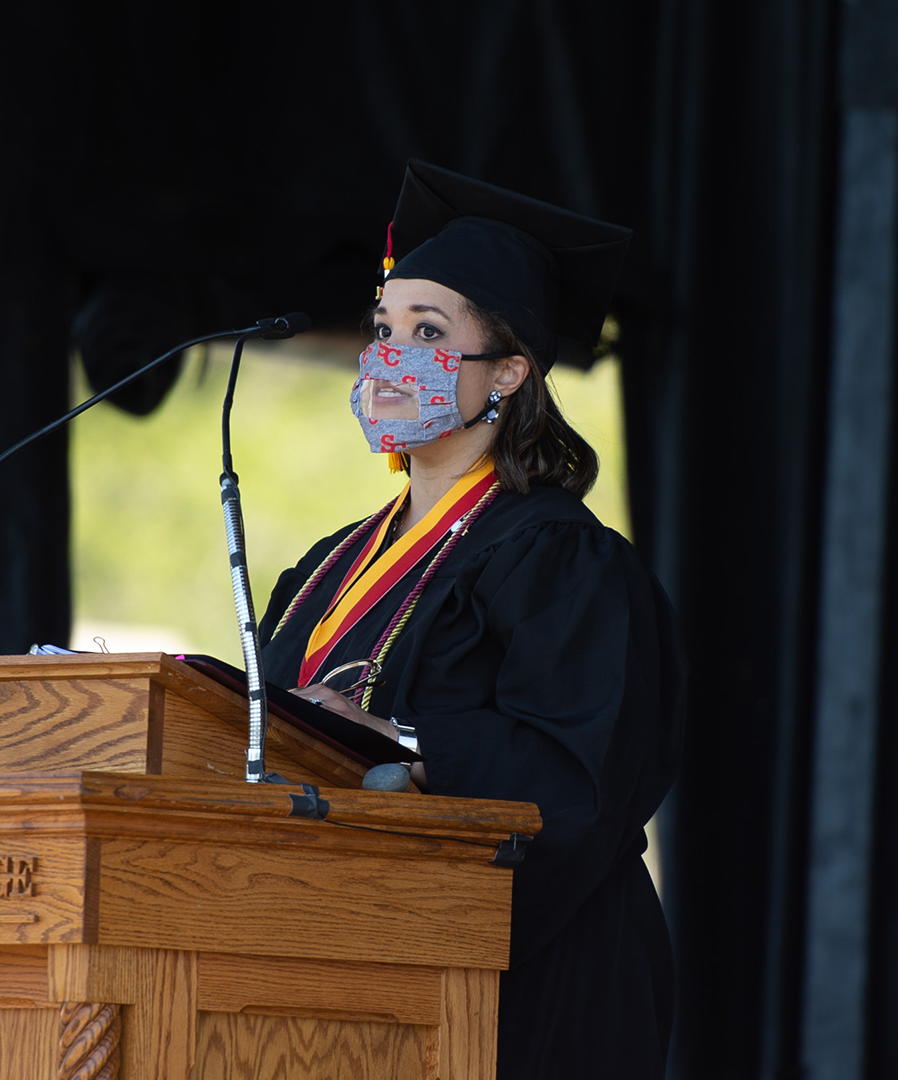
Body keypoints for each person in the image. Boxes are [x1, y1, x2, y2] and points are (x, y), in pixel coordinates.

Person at [257, 162, 685, 1077]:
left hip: (531, 980)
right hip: (343, 959)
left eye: (428, 331)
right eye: (382, 329)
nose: (389, 355)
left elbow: (580, 779)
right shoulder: (325, 567)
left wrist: (402, 740)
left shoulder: (562, 559)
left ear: (511, 371)